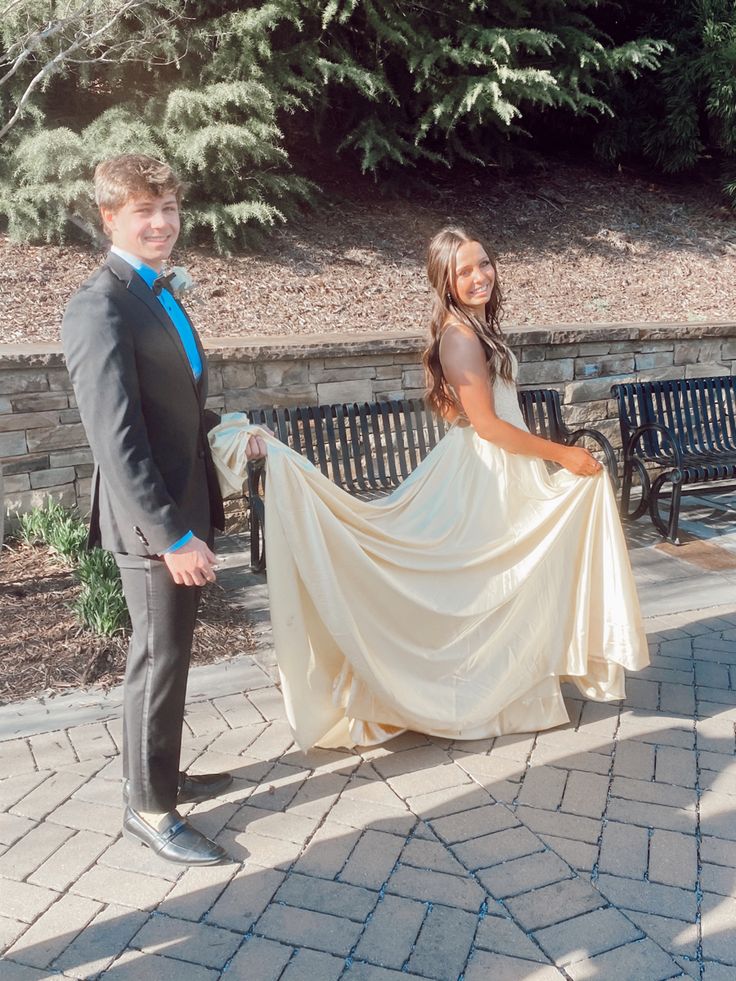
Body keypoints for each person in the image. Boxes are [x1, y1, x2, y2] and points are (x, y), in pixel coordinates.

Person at [208, 226, 648, 750]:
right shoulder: (459, 336)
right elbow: (487, 425)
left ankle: (508, 687)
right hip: (486, 471)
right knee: (483, 585)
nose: (479, 276)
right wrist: (562, 454)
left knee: (501, 584)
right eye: (464, 271)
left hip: (505, 466)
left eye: (484, 263)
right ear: (445, 281)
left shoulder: (477, 327)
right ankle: (458, 696)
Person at [62, 154, 266, 866]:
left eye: (169, 208)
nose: (161, 223)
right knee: (157, 659)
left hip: (180, 506)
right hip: (152, 523)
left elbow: (171, 406)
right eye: (143, 211)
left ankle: (161, 774)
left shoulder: (158, 291)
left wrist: (230, 429)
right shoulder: (99, 306)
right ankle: (149, 809)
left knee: (170, 657)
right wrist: (171, 534)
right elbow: (116, 439)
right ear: (109, 218)